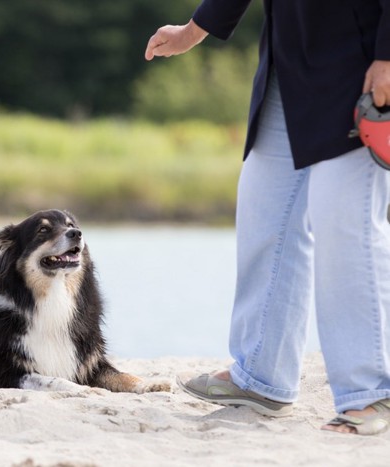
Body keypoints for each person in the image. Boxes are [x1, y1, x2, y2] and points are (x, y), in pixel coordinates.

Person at [144, 1, 390, 435]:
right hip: (289, 58)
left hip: (361, 58)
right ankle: (262, 377)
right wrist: (194, 29)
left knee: (345, 225)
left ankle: (371, 393)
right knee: (265, 213)